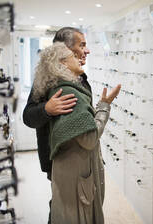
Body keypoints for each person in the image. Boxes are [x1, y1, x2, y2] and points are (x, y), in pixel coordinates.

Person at [22, 27, 119, 223]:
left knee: (71, 207)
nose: (87, 50)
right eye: (82, 45)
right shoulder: (48, 81)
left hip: (80, 157)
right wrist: (46, 109)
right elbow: (28, 116)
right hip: (62, 158)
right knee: (67, 208)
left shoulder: (79, 79)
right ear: (66, 50)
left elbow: (82, 118)